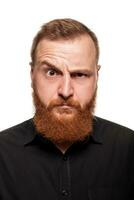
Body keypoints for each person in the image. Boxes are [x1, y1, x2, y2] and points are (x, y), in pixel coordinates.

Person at [0, 18, 134, 200]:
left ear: (96, 77)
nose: (65, 91)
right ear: (32, 75)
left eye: (79, 74)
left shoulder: (128, 148)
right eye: (51, 73)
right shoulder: (3, 153)